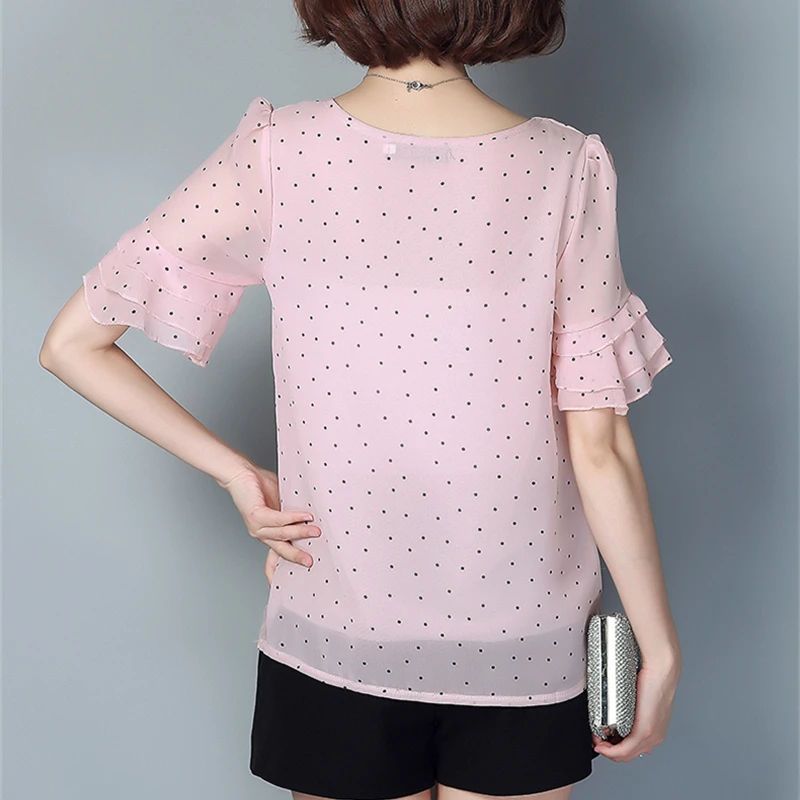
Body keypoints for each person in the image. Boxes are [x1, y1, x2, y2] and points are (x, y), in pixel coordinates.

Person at [39, 1, 683, 798]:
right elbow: (600, 444)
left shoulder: (278, 153)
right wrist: (657, 645)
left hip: (336, 628)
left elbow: (71, 345)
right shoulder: (564, 166)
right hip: (523, 638)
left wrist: (237, 474)